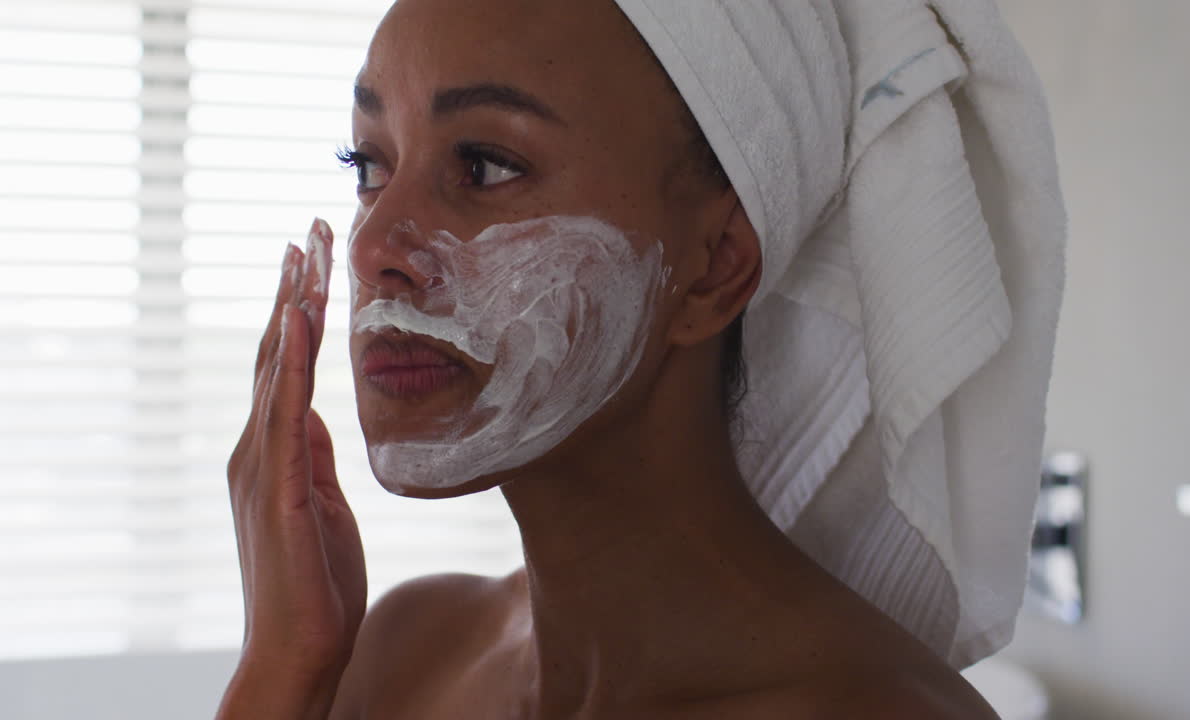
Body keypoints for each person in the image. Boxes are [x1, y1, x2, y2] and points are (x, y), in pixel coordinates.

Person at [216, 0, 1039, 717]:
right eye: (368, 165)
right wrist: (283, 671)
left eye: (485, 165)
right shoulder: (399, 655)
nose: (371, 250)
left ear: (715, 264)